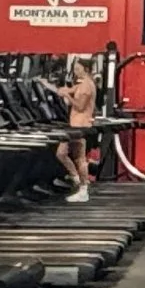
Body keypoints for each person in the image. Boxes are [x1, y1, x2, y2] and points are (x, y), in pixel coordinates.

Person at [57, 55, 98, 204]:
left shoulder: (87, 85)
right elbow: (68, 89)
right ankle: (77, 180)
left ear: (85, 69)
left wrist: (67, 94)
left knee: (79, 158)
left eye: (77, 68)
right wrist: (46, 84)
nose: (75, 71)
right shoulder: (82, 84)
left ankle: (82, 188)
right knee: (61, 153)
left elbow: (80, 106)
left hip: (81, 125)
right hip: (74, 124)